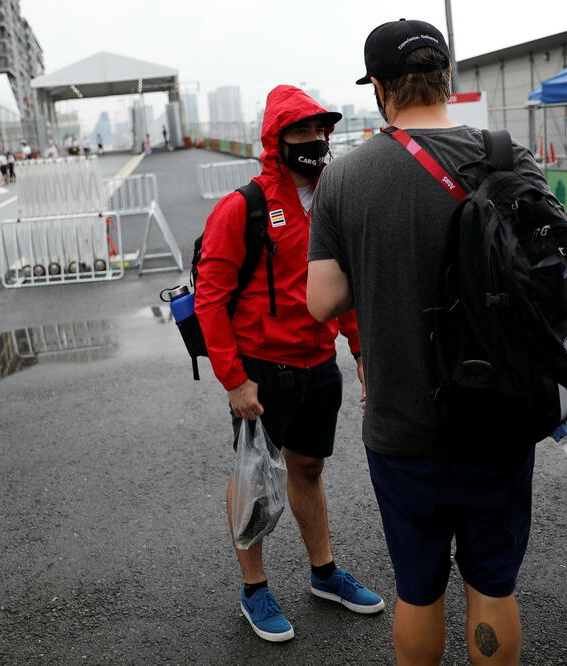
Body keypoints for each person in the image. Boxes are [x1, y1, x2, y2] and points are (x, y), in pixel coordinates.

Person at [306, 19, 564, 665]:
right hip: (501, 413)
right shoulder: (509, 157)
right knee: (493, 583)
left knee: (418, 591)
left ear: (382, 88)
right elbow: (550, 278)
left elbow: (322, 302)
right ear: (445, 77)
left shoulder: (346, 177)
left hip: (403, 424)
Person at [195, 84, 384, 644]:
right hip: (261, 367)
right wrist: (233, 379)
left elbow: (342, 288)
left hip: (317, 363)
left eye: (321, 132)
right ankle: (254, 587)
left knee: (307, 470)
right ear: (275, 141)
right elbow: (210, 297)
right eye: (301, 132)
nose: (315, 141)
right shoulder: (243, 206)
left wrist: (361, 352)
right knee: (253, 474)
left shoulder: (332, 202)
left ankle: (324, 573)